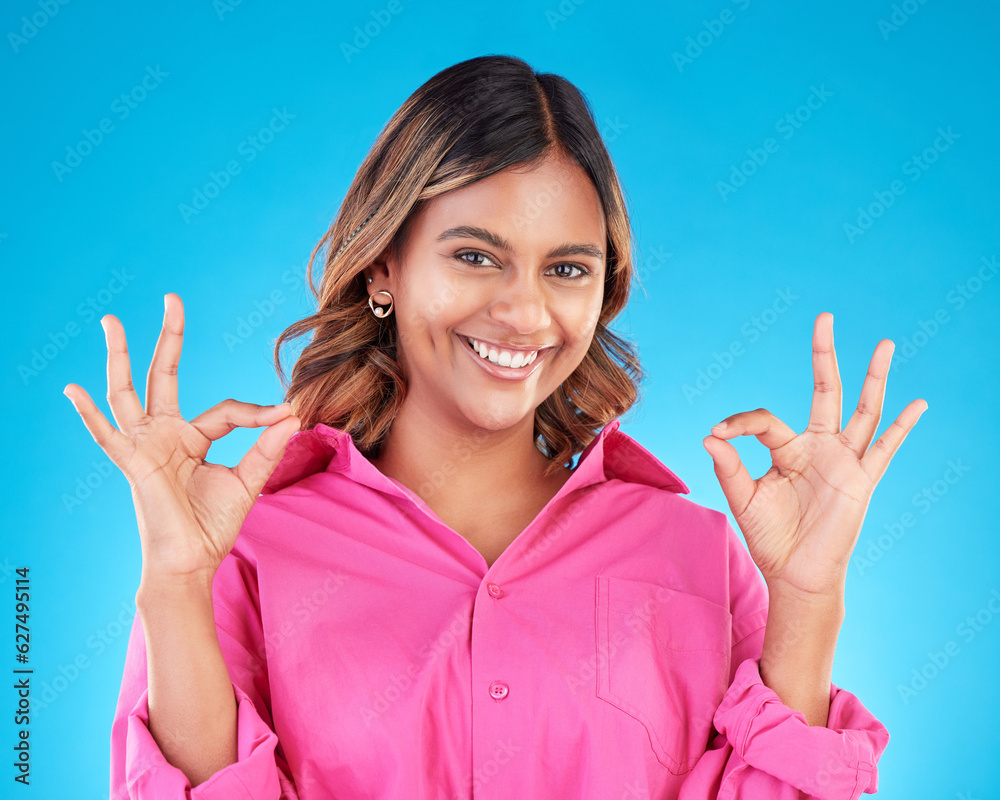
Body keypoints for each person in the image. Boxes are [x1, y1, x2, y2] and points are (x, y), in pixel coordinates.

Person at [63, 55, 925, 799]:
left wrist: (807, 602)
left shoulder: (692, 555)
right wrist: (174, 586)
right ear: (384, 268)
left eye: (567, 268)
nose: (523, 311)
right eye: (475, 255)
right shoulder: (249, 548)